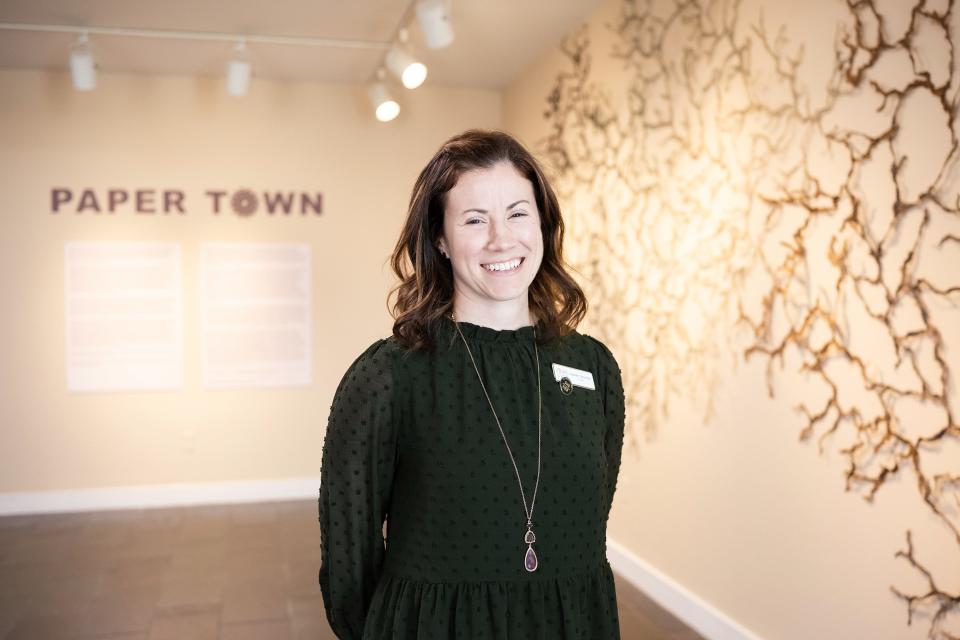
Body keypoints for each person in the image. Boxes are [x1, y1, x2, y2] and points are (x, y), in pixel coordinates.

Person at [318, 129, 626, 639]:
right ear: (439, 238)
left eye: (517, 213)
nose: (501, 239)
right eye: (475, 219)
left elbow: (589, 516)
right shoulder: (388, 376)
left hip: (573, 622)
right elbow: (350, 553)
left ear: (544, 225)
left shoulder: (594, 366)